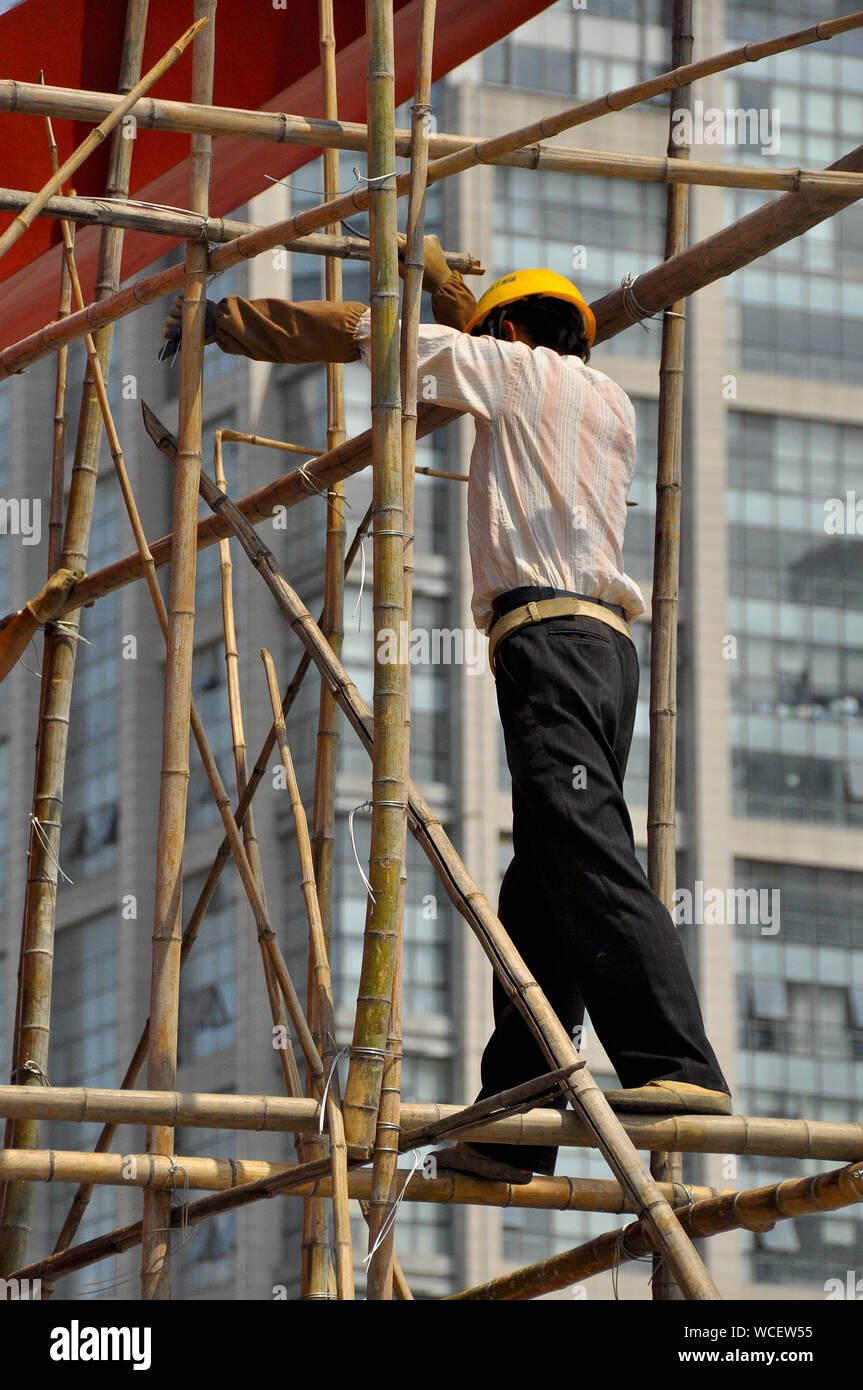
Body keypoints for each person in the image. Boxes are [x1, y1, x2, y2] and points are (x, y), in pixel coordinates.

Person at [163, 236, 730, 1184]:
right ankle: (518, 1115)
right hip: (601, 650)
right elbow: (472, 327)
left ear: (509, 332)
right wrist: (436, 269)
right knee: (542, 884)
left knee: (583, 852)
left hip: (547, 644)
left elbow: (370, 335)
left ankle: (675, 1065)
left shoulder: (505, 371)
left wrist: (220, 322)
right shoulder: (605, 402)